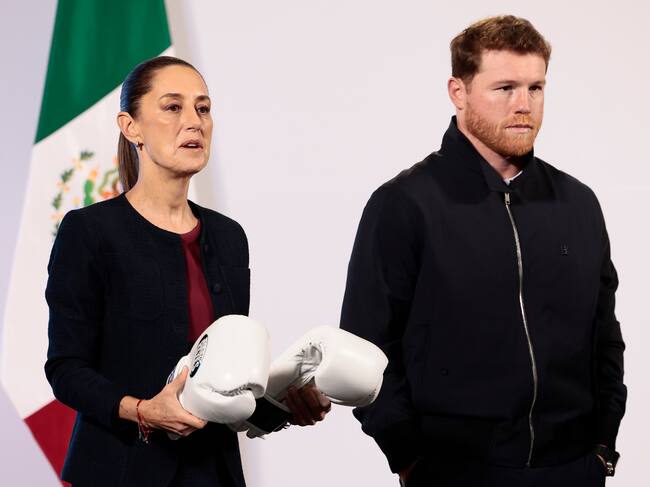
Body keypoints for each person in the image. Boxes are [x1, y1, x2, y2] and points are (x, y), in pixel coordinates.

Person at [340, 15, 626, 487]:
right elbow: (365, 345)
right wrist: (409, 457)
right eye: (505, 88)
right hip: (455, 470)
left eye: (535, 88)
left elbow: (605, 337)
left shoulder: (578, 203)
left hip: (573, 466)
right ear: (459, 91)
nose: (523, 105)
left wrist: (602, 447)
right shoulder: (405, 204)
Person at [45, 56, 330, 487]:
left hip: (214, 473)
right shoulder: (90, 231)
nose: (194, 122)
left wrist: (287, 406)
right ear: (131, 127)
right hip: (122, 473)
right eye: (173, 107)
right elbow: (66, 369)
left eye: (203, 108)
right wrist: (143, 411)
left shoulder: (229, 236)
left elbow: (222, 385)